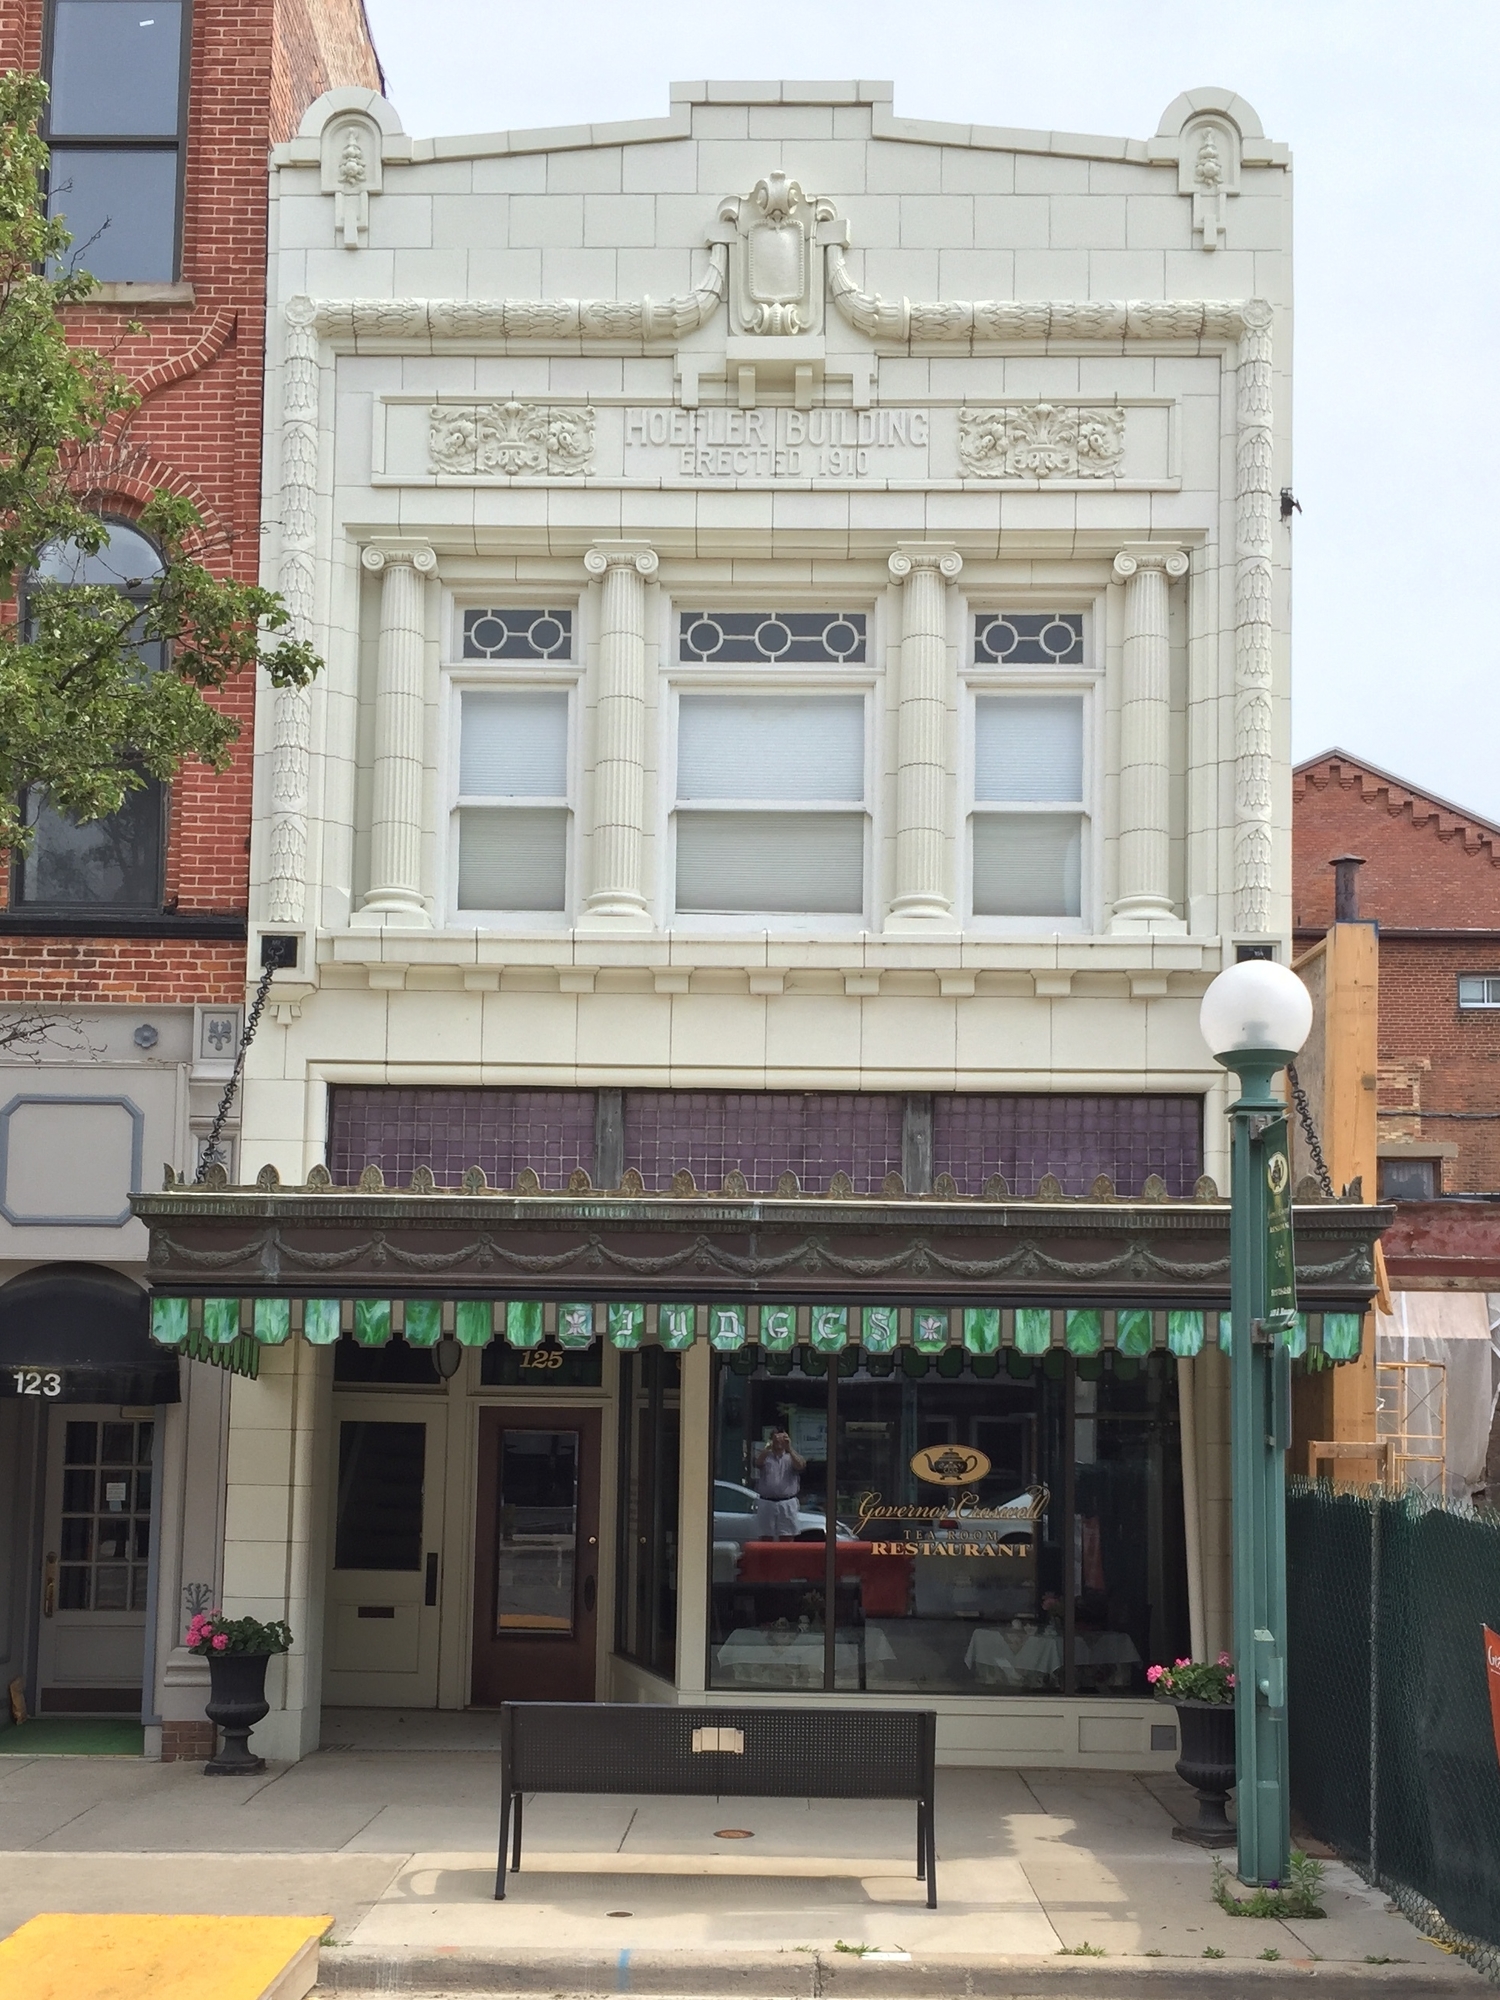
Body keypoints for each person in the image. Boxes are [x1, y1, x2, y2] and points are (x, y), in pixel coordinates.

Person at [752, 1428, 805, 1539]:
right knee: (766, 1536)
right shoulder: (765, 1456)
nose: (778, 1442)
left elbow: (801, 1465)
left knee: (787, 1536)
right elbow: (758, 1463)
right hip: (766, 1502)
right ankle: (767, 1556)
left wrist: (789, 1448)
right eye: (776, 1439)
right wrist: (768, 1447)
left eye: (782, 1439)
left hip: (787, 1502)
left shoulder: (791, 1457)